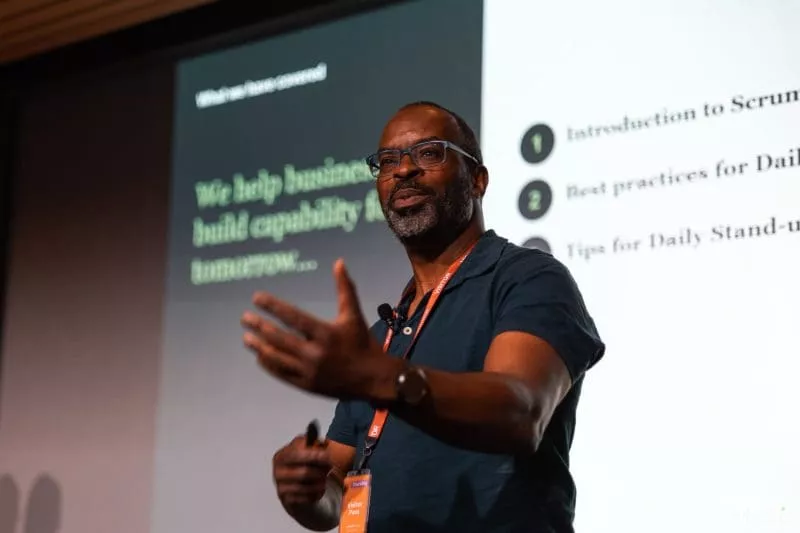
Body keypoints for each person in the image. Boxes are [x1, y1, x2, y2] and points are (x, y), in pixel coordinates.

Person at [240, 101, 605, 532]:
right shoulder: (381, 339)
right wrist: (305, 493)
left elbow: (520, 413)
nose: (403, 170)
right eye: (388, 161)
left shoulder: (527, 279)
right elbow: (337, 493)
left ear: (478, 180)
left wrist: (383, 380)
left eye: (430, 153)